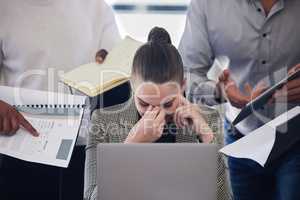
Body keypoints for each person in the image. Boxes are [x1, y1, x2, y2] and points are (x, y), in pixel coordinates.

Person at [84, 27, 231, 200]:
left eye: (168, 103)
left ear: (183, 85)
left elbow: (224, 197)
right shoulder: (103, 121)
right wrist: (129, 147)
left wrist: (206, 135)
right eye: (144, 103)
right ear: (132, 84)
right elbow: (91, 197)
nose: (156, 113)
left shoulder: (208, 119)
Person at [178, 0, 300, 199]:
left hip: (295, 139)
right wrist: (219, 91)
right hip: (239, 140)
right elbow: (187, 75)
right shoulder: (208, 5)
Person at [0, 1, 120, 199]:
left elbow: (119, 72)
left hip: (82, 151)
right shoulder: (4, 9)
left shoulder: (96, 7)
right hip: (18, 150)